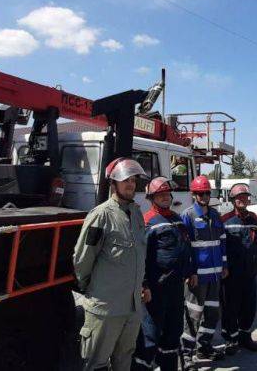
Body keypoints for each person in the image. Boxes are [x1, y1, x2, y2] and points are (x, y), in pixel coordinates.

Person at [73, 157, 151, 371]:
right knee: (96, 363)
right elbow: (82, 259)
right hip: (105, 308)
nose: (131, 185)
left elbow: (138, 256)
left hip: (132, 308)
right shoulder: (101, 215)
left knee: (124, 359)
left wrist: (141, 286)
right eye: (125, 180)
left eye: (134, 180)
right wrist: (93, 289)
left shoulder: (136, 213)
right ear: (113, 183)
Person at [132, 177, 197, 371]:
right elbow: (140, 257)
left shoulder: (177, 219)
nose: (165, 198)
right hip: (155, 290)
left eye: (166, 194)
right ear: (151, 198)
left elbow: (186, 248)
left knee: (172, 334)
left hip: (176, 288)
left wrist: (191, 271)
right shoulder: (147, 221)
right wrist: (144, 285)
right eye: (160, 195)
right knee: (149, 338)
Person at [180, 175, 228, 365]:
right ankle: (186, 354)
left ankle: (204, 347)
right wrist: (189, 272)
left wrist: (224, 265)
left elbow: (222, 241)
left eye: (206, 193)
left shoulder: (215, 216)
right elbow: (185, 247)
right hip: (197, 278)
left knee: (212, 314)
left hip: (215, 276)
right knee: (193, 316)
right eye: (199, 193)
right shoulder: (188, 215)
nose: (203, 196)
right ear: (194, 194)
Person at [220, 183, 257, 353]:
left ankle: (245, 337)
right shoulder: (224, 220)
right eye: (238, 197)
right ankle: (231, 340)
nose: (242, 200)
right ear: (233, 200)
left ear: (248, 199)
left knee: (249, 306)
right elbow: (220, 247)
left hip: (249, 272)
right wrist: (223, 267)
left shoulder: (255, 219)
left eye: (244, 197)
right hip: (231, 274)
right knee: (230, 307)